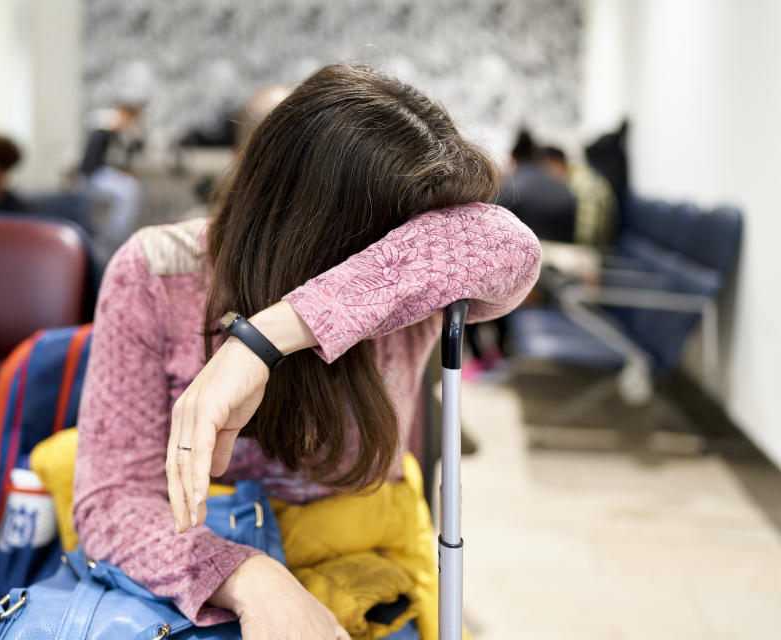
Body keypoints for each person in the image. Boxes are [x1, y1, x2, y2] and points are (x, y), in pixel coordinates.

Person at [73, 64, 541, 640]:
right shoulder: (158, 270)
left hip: (361, 559)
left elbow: (508, 245)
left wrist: (262, 339)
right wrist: (250, 578)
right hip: (197, 562)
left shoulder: (411, 279)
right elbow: (110, 500)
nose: (404, 254)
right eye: (392, 241)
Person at [78, 103, 147, 257]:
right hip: (92, 175)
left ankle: (113, 239)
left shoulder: (109, 132)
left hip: (96, 173)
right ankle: (111, 240)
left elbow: (133, 149)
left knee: (133, 190)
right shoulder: (102, 128)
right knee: (131, 190)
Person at [496, 129, 577, 242]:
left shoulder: (509, 188)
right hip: (561, 254)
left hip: (523, 253)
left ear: (513, 158)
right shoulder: (564, 189)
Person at [542, 145, 618, 248]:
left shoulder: (583, 187)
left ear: (556, 162)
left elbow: (585, 238)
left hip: (596, 252)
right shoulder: (580, 176)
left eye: (546, 169)